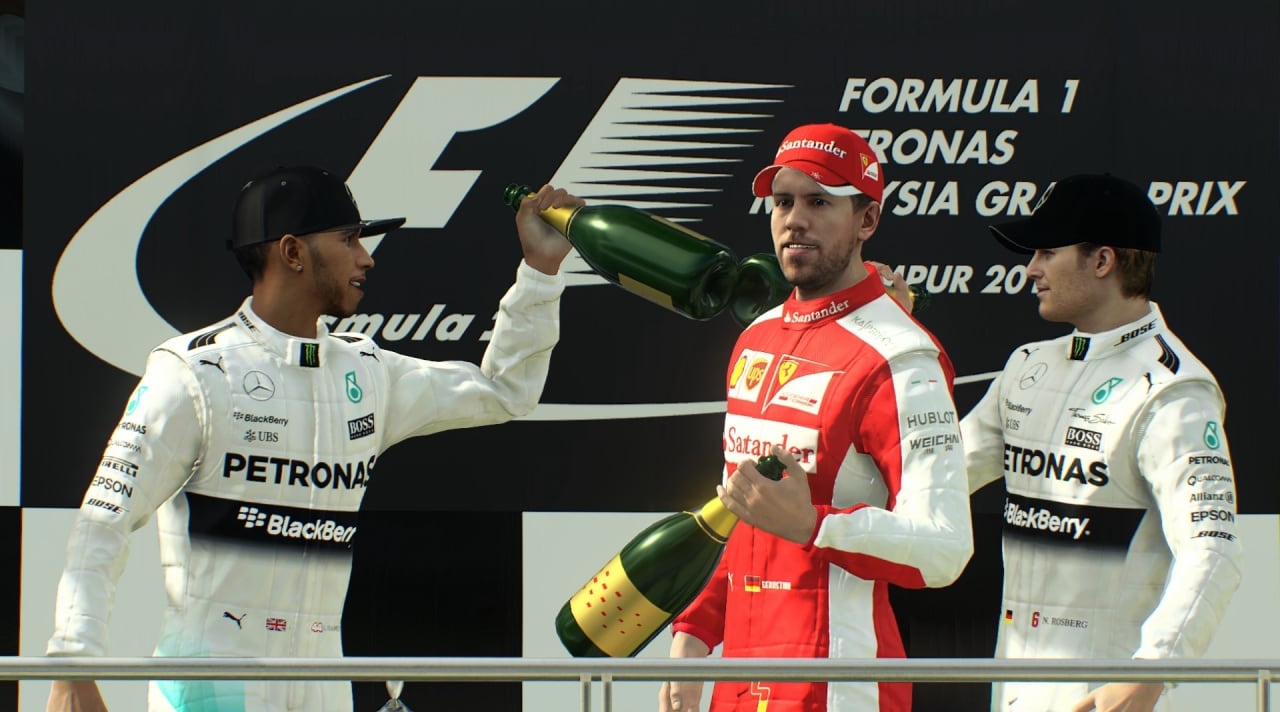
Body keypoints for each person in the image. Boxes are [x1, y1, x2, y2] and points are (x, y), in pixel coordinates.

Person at [44, 166, 577, 712]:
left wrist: (539, 271)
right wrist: (73, 662)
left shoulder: (368, 371)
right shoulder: (194, 373)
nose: (366, 258)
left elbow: (505, 390)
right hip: (212, 688)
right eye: (348, 240)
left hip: (324, 686)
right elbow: (103, 522)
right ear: (293, 252)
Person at [659, 123, 974, 712]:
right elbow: (742, 514)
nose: (794, 220)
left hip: (839, 685)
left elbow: (945, 547)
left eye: (819, 202)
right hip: (740, 679)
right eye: (783, 202)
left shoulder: (901, 357)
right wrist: (696, 630)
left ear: (867, 220)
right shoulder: (756, 336)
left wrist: (815, 525)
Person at [960, 173, 1243, 712]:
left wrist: (1152, 671)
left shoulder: (1173, 389)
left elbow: (1213, 547)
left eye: (1047, 251)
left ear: (1103, 260)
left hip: (1100, 692)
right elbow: (935, 476)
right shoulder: (1028, 366)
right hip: (1012, 685)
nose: (1031, 269)